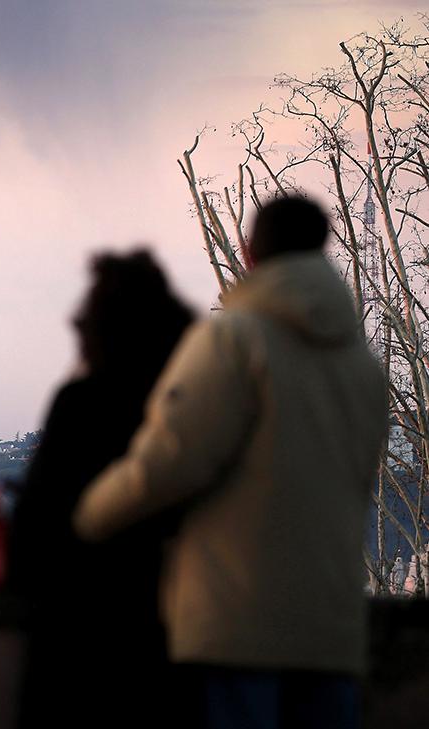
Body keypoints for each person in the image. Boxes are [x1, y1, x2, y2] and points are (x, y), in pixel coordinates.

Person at [74, 196, 389, 729]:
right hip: (334, 631)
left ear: (247, 253)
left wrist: (85, 516)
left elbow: (169, 464)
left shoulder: (232, 341)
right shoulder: (363, 367)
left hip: (240, 628)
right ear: (323, 249)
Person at [7, 249, 194, 724]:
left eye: (83, 325)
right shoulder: (190, 415)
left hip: (76, 646)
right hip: (172, 649)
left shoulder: (80, 406)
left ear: (100, 334)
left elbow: (31, 539)